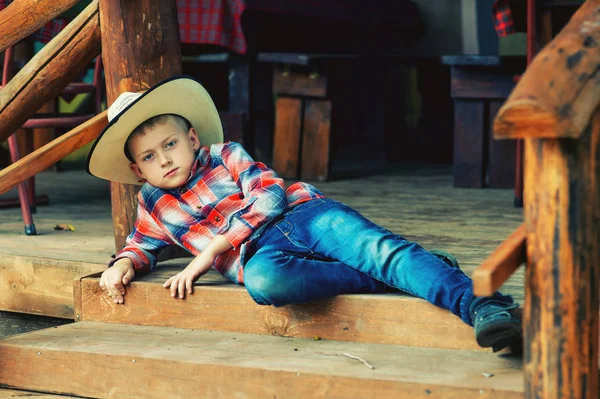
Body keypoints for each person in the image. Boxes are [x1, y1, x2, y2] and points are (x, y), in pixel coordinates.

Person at [87, 76, 522, 352]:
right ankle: (416, 270)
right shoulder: (154, 205)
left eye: (170, 144)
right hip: (262, 258)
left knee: (379, 250)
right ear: (136, 169)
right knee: (266, 283)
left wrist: (212, 250)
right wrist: (123, 264)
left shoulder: (224, 156)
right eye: (149, 156)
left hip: (304, 215)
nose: (163, 160)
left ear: (192, 137)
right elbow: (142, 244)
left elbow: (269, 195)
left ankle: (485, 306)